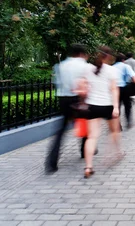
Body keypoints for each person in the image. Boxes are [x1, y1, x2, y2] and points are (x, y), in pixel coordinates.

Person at [46, 44, 92, 173]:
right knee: (84, 122)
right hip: (78, 99)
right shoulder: (86, 66)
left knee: (61, 130)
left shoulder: (61, 66)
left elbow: (58, 83)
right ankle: (84, 150)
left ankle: (52, 162)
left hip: (63, 99)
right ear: (82, 54)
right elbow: (88, 84)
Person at [82, 46, 123, 178]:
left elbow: (84, 87)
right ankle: (115, 152)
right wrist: (116, 107)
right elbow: (114, 90)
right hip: (108, 105)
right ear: (108, 56)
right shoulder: (111, 70)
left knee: (92, 137)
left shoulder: (87, 68)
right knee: (114, 131)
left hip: (92, 106)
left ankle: (88, 167)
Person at [113, 53, 135, 129]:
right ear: (123, 60)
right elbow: (133, 76)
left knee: (117, 106)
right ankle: (128, 121)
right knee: (127, 105)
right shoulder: (126, 66)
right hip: (125, 88)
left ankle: (117, 124)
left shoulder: (112, 67)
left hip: (115, 89)